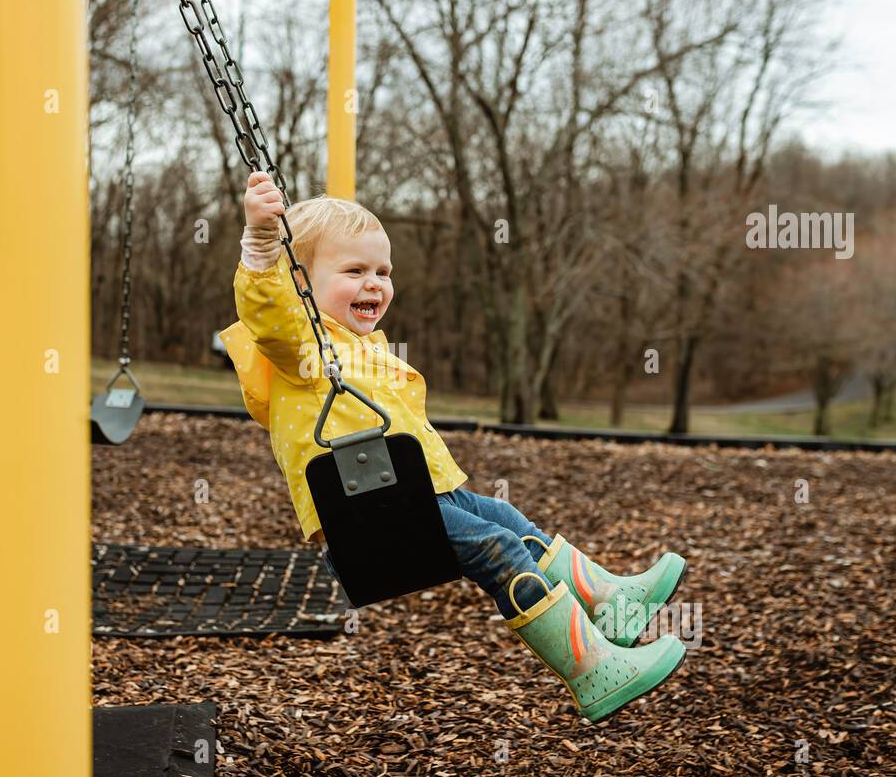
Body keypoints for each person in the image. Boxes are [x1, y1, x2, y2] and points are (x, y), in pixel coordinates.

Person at [218, 170, 686, 722]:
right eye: (354, 271)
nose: (374, 284)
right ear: (301, 283)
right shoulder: (303, 350)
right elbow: (267, 311)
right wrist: (261, 242)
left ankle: (610, 605)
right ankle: (595, 670)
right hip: (371, 513)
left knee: (505, 517)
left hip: (424, 493)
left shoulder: (363, 346)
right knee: (499, 549)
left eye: (382, 272)